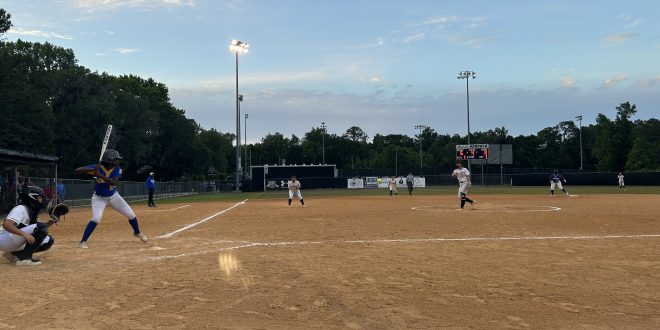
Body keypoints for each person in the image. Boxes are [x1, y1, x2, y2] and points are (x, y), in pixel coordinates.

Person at [74, 149, 147, 248]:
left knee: (131, 215)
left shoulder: (117, 169)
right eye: (116, 160)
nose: (118, 161)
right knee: (96, 218)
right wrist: (92, 169)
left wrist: (99, 175)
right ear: (109, 160)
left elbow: (113, 183)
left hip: (113, 196)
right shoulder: (97, 168)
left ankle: (137, 232)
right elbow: (77, 171)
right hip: (99, 198)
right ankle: (83, 242)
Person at [0, 186, 57, 266]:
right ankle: (24, 259)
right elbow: (7, 225)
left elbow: (41, 228)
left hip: (11, 239)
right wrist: (25, 235)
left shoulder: (31, 211)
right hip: (4, 238)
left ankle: (13, 254)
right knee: (40, 228)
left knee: (48, 241)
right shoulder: (20, 208)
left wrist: (52, 221)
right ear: (32, 197)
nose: (42, 200)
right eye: (40, 197)